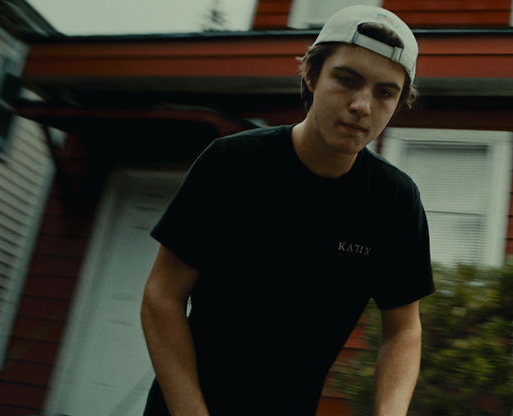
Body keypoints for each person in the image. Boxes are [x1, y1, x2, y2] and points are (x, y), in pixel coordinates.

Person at [139, 5, 434, 415]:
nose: (362, 105)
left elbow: (403, 330)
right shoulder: (232, 163)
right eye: (347, 80)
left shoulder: (396, 201)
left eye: (385, 92)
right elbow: (162, 297)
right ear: (312, 75)